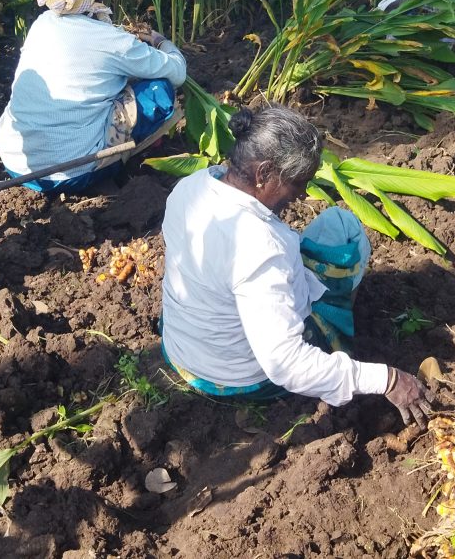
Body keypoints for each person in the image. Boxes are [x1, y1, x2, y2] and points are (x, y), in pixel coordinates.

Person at [159, 106, 434, 426]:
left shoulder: (190, 187)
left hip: (182, 351)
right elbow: (286, 364)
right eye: (298, 182)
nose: (302, 194)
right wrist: (387, 380)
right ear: (263, 174)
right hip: (243, 379)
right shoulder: (261, 248)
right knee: (343, 226)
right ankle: (338, 338)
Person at [0, 0, 186, 194]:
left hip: (17, 165)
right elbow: (177, 72)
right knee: (159, 89)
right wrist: (160, 41)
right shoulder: (111, 40)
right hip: (73, 172)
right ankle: (131, 160)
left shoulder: (41, 24)